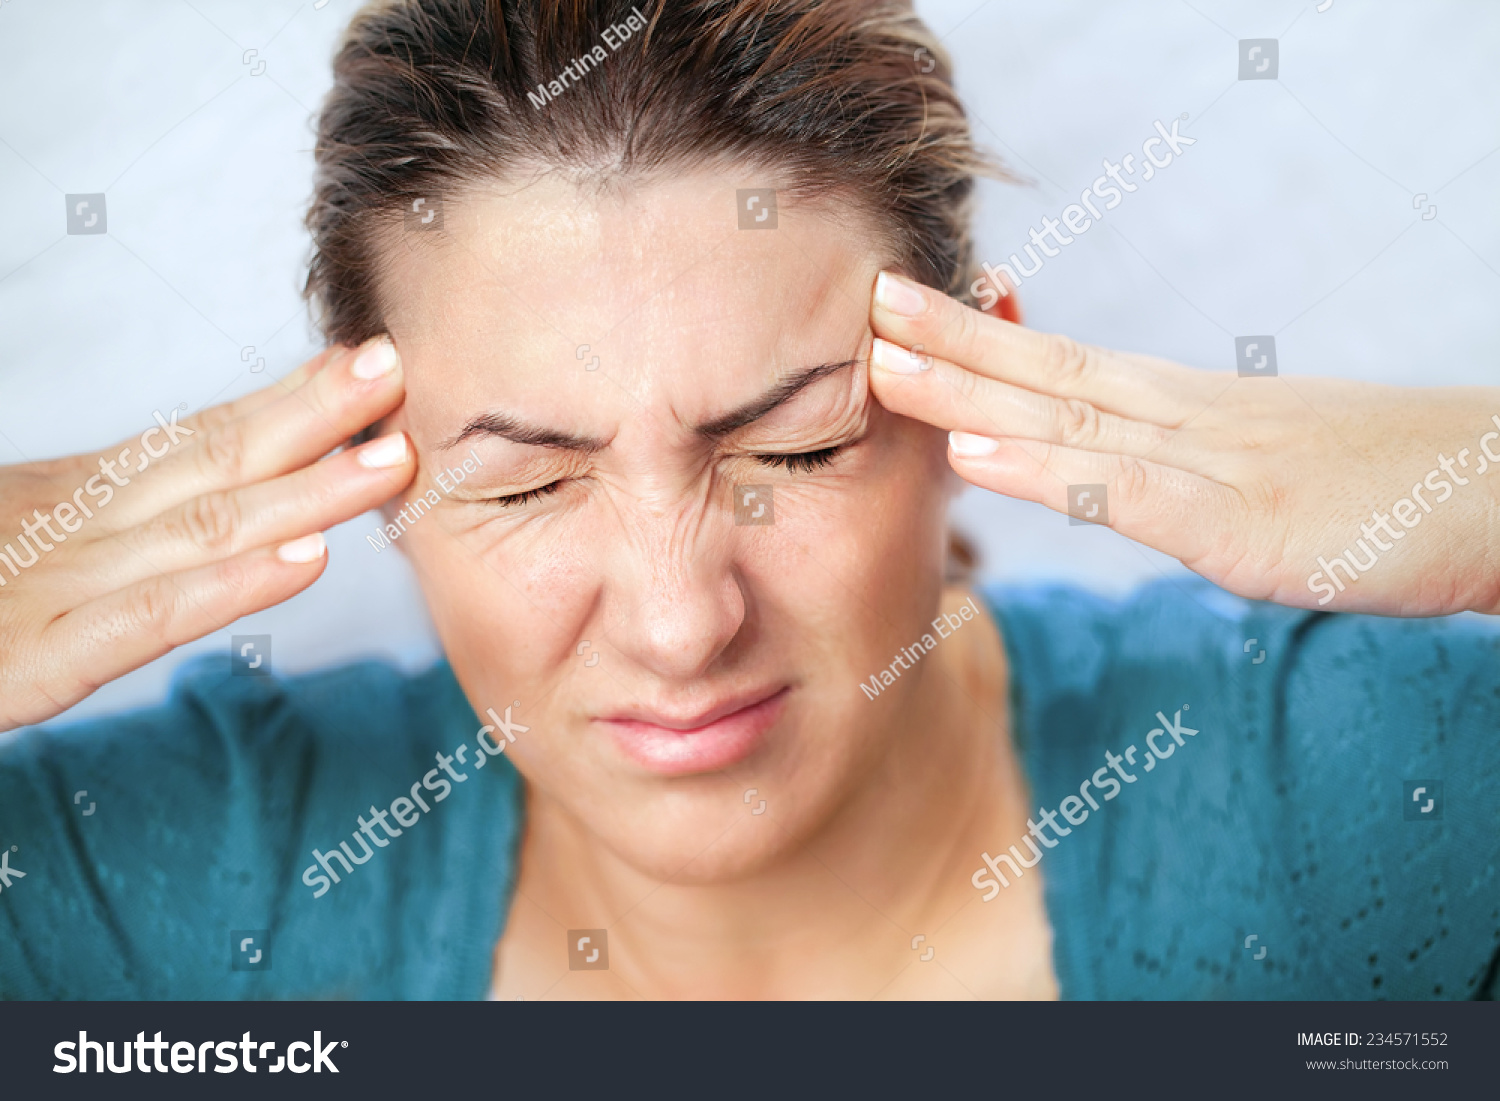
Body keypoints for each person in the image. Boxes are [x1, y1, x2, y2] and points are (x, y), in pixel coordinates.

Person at [0, 0, 1495, 1001]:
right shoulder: (200, 883)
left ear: (975, 384)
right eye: (521, 479)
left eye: (793, 449)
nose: (677, 621)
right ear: (380, 473)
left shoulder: (1338, 789)